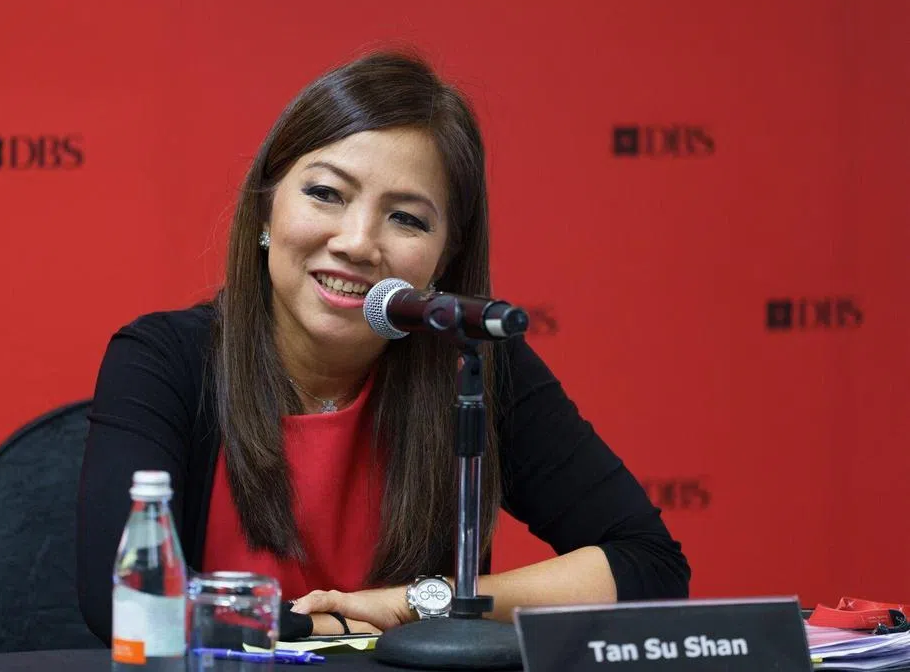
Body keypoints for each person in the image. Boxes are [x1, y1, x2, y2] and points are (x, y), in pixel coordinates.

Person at [76, 49, 689, 644]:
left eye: (407, 219)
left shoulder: (472, 365)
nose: (358, 243)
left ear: (444, 257)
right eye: (326, 194)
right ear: (266, 210)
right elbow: (123, 601)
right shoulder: (164, 358)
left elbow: (650, 567)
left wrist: (415, 603)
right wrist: (319, 627)